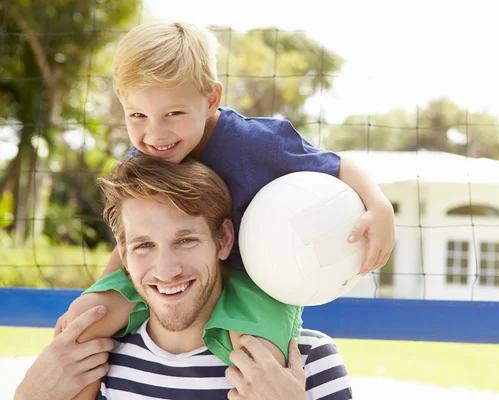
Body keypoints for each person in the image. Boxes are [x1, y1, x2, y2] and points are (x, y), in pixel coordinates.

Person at [57, 20, 395, 399]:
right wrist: (103, 288)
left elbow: (338, 166)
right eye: (138, 116)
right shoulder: (144, 158)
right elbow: (133, 240)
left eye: (173, 114)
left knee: (259, 364)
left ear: (212, 98)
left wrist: (379, 206)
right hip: (174, 267)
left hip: (256, 279)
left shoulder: (257, 142)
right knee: (79, 324)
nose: (156, 134)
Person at [100, 155, 353, 398]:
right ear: (123, 254)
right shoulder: (97, 363)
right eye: (143, 245)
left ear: (223, 240)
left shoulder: (306, 361)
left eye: (186, 240)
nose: (166, 271)